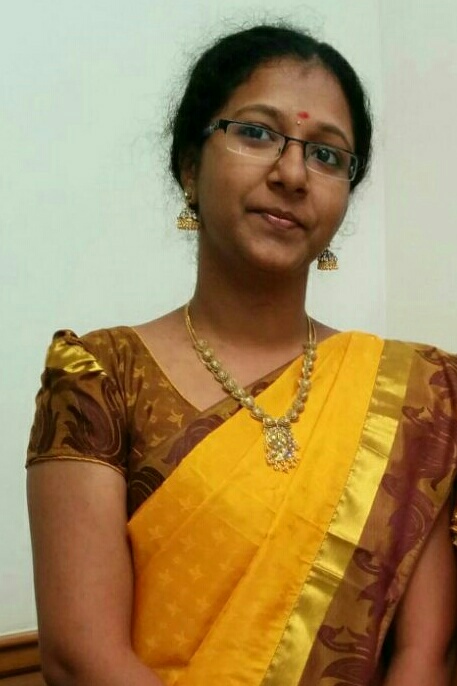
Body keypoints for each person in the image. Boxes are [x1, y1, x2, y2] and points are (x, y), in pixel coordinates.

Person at [26, 23, 457, 686]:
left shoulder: (415, 395)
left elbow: (424, 657)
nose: (292, 174)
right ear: (189, 167)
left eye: (326, 154)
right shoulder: (99, 378)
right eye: (256, 133)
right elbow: (81, 659)